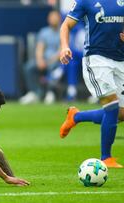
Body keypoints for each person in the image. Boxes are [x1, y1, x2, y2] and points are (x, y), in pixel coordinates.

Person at [59, 0, 124, 168]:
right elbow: (66, 26)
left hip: (121, 60)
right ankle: (106, 158)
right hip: (96, 59)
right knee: (112, 106)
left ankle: (76, 116)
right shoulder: (85, 1)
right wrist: (65, 47)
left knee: (121, 114)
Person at [19, 10, 62, 105]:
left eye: (55, 17)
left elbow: (61, 50)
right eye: (51, 17)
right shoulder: (44, 32)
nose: (53, 19)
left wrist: (51, 61)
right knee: (29, 67)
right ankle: (35, 93)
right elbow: (39, 48)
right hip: (44, 61)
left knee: (54, 68)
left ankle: (50, 93)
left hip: (58, 62)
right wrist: (40, 60)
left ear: (59, 19)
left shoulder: (63, 31)